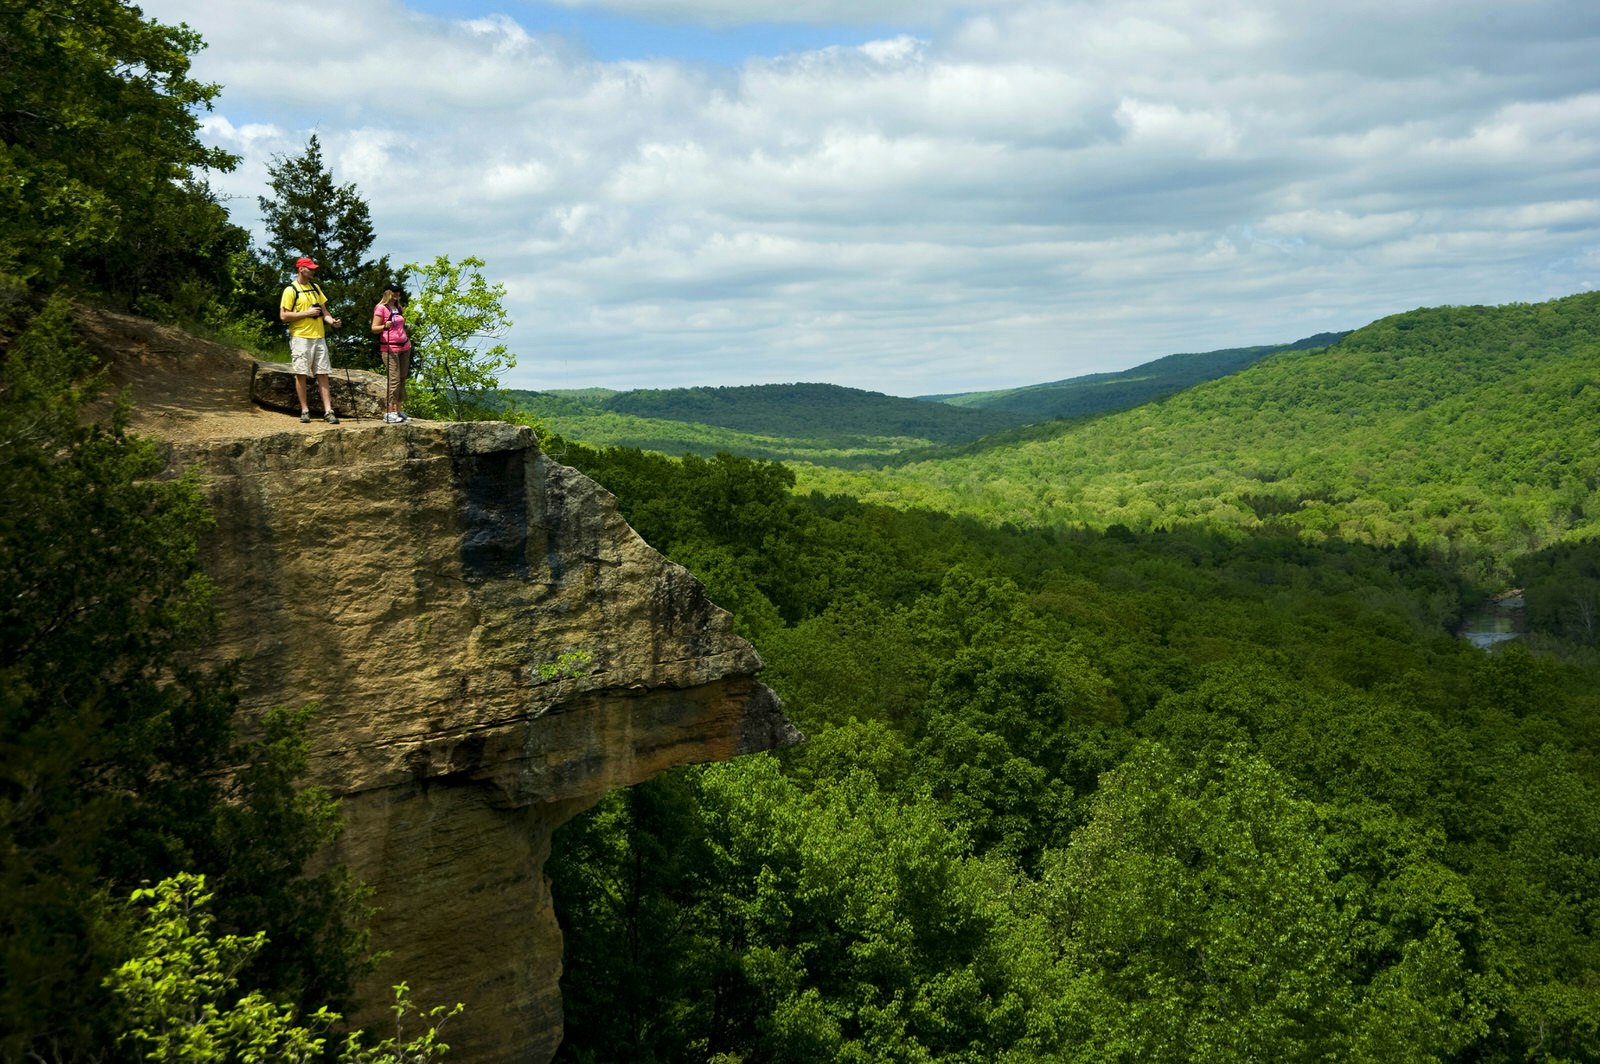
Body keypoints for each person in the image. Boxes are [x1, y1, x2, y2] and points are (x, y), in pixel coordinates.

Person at [279, 256, 344, 424]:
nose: (313, 270)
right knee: (301, 373)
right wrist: (306, 313)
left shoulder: (315, 288)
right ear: (301, 269)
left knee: (323, 373)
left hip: (319, 336)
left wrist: (332, 322)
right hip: (300, 337)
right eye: (310, 268)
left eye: (313, 268)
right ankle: (305, 410)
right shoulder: (290, 290)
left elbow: (325, 312)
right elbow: (284, 316)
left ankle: (328, 411)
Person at [371, 282, 412, 423]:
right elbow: (374, 328)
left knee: (402, 378)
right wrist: (384, 326)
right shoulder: (381, 308)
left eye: (398, 291)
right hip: (390, 348)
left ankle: (399, 410)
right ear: (387, 292)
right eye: (394, 291)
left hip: (404, 347)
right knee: (393, 379)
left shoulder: (398, 308)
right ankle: (389, 411)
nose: (397, 294)